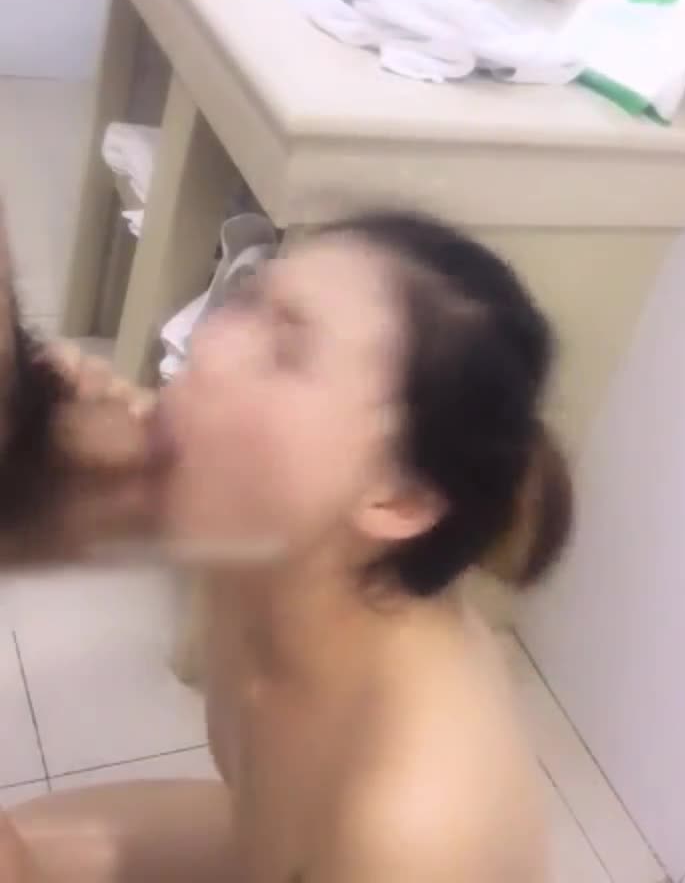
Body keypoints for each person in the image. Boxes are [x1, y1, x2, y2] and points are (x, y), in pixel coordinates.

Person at [0, 208, 573, 882]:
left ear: (399, 498)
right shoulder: (276, 547)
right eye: (245, 302)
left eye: (286, 352)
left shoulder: (411, 828)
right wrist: (44, 443)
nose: (208, 347)